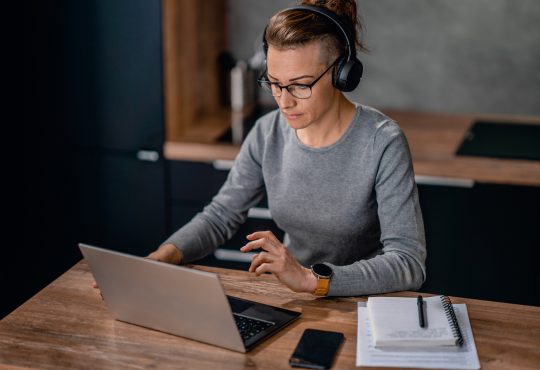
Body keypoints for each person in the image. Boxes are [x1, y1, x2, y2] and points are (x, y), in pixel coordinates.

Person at [149, 0, 426, 297]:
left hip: (365, 304)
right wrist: (165, 256)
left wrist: (312, 279)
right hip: (294, 297)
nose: (284, 101)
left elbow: (408, 263)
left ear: (341, 74)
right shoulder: (267, 133)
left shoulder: (382, 141)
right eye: (274, 83)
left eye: (300, 85)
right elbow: (220, 216)